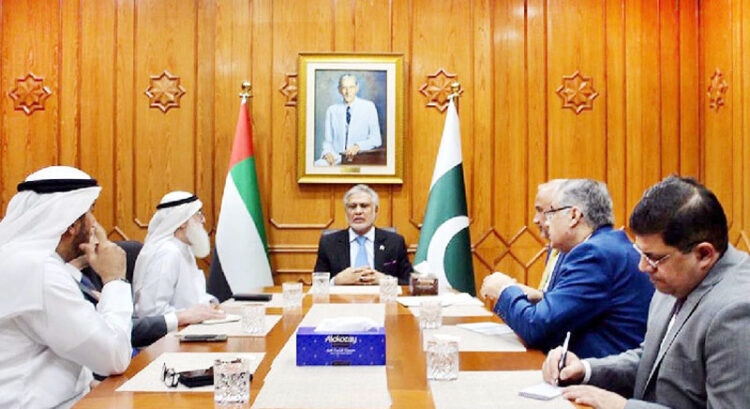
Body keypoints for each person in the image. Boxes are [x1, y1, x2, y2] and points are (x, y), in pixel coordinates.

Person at [542, 176, 750, 409]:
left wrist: (623, 407)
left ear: (703, 254)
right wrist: (586, 369)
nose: (642, 267)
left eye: (653, 258)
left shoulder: (737, 310)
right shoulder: (675, 276)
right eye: (641, 253)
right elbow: (654, 359)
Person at [0, 166, 133, 408]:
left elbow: (62, 345)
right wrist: (115, 279)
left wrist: (86, 384)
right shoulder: (39, 269)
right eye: (91, 211)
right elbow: (113, 356)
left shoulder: (23, 258)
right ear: (71, 224)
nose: (94, 224)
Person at [480, 179, 654, 358]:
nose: (547, 223)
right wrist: (542, 297)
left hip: (604, 371)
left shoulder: (595, 254)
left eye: (552, 213)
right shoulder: (608, 244)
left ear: (574, 216)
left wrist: (504, 290)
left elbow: (536, 326)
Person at [71, 233, 224, 349]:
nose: (99, 243)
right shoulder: (167, 252)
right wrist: (180, 317)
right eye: (92, 234)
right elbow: (117, 333)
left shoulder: (92, 272)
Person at [132, 191, 223, 318]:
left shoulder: (183, 249)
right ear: (182, 222)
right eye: (198, 214)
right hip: (171, 330)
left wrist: (210, 304)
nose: (203, 220)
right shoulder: (166, 253)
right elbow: (152, 312)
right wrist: (187, 316)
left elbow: (192, 298)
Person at [313, 184, 412, 285]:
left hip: (380, 295)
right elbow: (317, 285)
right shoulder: (329, 243)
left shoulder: (395, 242)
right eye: (352, 206)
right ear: (346, 211)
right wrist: (335, 281)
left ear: (376, 210)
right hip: (343, 295)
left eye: (364, 206)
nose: (358, 211)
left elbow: (409, 283)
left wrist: (385, 280)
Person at [315, 74, 382, 166]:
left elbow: (376, 139)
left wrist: (358, 146)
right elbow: (328, 141)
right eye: (344, 88)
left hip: (359, 158)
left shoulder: (369, 107)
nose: (348, 92)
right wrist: (327, 152)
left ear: (357, 88)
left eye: (351, 87)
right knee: (318, 165)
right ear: (339, 90)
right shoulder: (332, 110)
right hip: (336, 159)